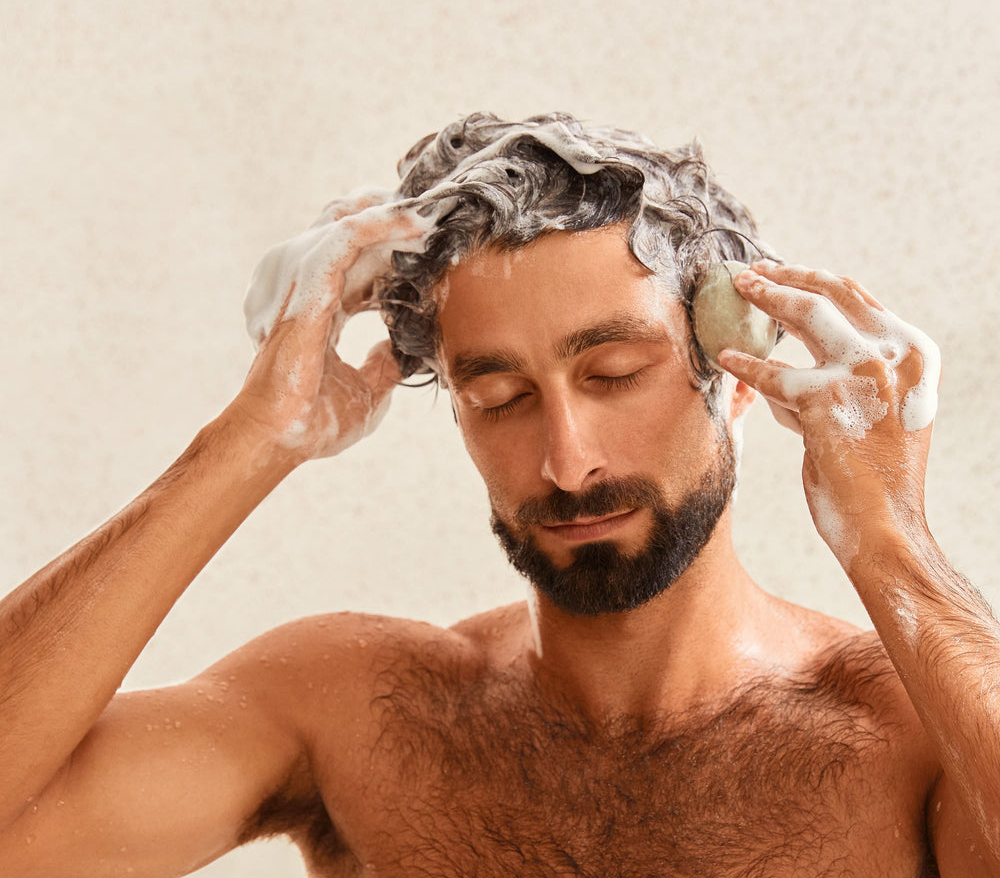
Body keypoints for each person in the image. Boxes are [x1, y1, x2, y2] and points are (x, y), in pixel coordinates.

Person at [0, 112, 996, 877]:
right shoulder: (357, 708)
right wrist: (248, 441)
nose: (566, 462)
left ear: (732, 372)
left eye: (612, 374)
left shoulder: (904, 729)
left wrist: (888, 535)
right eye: (500, 395)